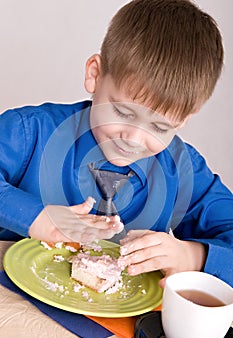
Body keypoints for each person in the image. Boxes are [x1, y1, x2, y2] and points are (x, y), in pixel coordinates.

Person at [0, 0, 232, 288]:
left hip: (121, 332)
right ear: (95, 75)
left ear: (184, 119)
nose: (133, 139)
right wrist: (34, 216)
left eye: (160, 127)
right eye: (123, 112)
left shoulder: (183, 171)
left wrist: (193, 256)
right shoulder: (29, 131)